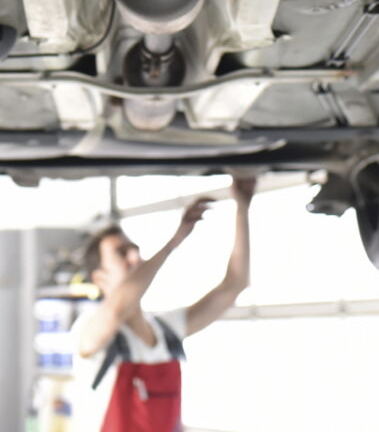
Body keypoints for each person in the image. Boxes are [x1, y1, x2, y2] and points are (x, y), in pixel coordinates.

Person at [68, 178, 255, 432]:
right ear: (100, 279)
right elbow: (115, 310)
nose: (136, 256)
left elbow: (234, 286)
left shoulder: (166, 330)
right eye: (122, 253)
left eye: (136, 249)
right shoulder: (88, 329)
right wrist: (173, 243)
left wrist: (242, 207)